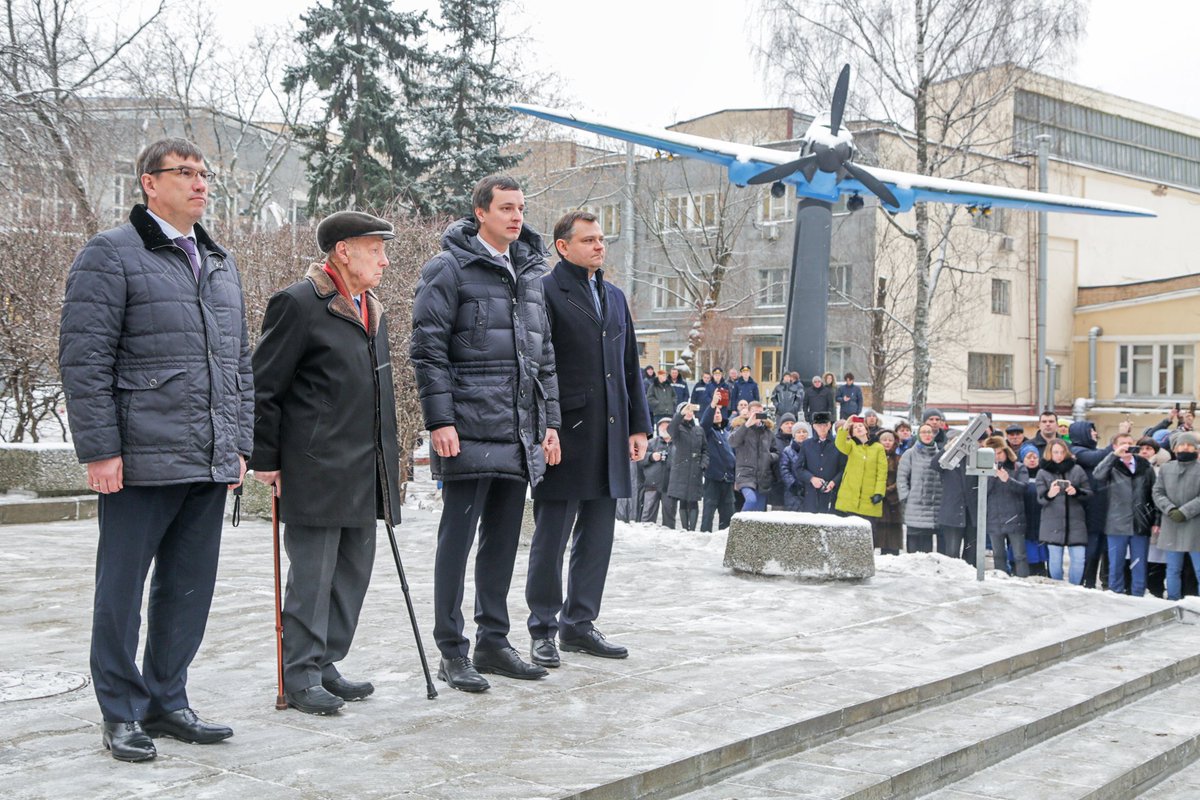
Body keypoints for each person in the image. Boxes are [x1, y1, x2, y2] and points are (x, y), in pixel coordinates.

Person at [58, 138, 250, 761]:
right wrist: (100, 449)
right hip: (139, 457)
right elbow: (85, 359)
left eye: (203, 174)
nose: (199, 184)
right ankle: (121, 712)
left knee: (188, 587)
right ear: (148, 183)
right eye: (184, 174)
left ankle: (169, 700)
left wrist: (240, 442)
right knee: (121, 590)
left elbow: (238, 365)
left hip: (209, 456)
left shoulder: (219, 263)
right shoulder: (111, 255)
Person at [411, 175, 559, 693]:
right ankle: (452, 650)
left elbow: (544, 358)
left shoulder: (530, 273)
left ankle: (493, 641)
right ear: (480, 212)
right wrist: (440, 420)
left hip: (518, 429)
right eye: (505, 208)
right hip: (467, 427)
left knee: (501, 541)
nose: (516, 217)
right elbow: (427, 351)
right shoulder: (449, 268)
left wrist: (550, 424)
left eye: (521, 208)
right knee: (457, 539)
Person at [250, 211, 400, 714]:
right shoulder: (298, 303)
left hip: (364, 466)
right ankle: (300, 675)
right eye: (375, 248)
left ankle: (327, 661)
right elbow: (265, 386)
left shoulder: (370, 307)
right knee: (312, 577)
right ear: (343, 250)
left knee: (353, 572)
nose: (384, 259)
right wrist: (266, 459)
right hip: (315, 464)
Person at [527, 210, 650, 667]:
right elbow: (538, 368)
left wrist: (639, 425)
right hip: (564, 433)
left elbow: (630, 367)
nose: (599, 246)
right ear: (563, 246)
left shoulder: (614, 297)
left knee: (598, 536)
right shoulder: (544, 293)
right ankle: (542, 628)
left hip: (612, 433)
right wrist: (544, 427)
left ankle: (579, 624)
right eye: (589, 240)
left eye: (601, 239)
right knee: (552, 537)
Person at [1094, 431, 1156, 596]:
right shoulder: (1111, 464)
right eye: (1123, 443)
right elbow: (1097, 475)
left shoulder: (1145, 465)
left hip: (1140, 521)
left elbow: (1153, 494)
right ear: (1115, 446)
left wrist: (1155, 520)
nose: (1127, 446)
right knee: (1115, 563)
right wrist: (1113, 456)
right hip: (1116, 522)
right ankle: (1116, 593)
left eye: (1130, 442)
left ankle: (1138, 594)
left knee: (1139, 563)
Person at [1152, 432, 1200, 601]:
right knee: (1172, 569)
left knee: (1199, 569)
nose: (1185, 448)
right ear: (1175, 448)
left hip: (1195, 527)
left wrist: (1185, 511)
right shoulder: (1166, 468)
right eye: (1182, 445)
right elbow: (1157, 492)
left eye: (1189, 445)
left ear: (1196, 448)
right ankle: (1173, 601)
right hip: (1171, 523)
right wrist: (1170, 509)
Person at [1038, 439, 1091, 584]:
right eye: (1055, 452)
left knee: (1079, 559)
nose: (1059, 455)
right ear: (1050, 453)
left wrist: (1076, 491)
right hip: (1052, 522)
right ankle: (1058, 587)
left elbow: (1088, 493)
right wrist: (1050, 494)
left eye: (1062, 452)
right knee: (1055, 560)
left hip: (1075, 521)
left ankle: (1075, 587)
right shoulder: (1043, 472)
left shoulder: (1077, 470)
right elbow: (1040, 498)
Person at [1069, 419, 1113, 589]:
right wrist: (1115, 445)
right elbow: (1097, 459)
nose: (1095, 433)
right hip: (1089, 509)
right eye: (1092, 430)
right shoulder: (1076, 451)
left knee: (1102, 548)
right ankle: (1086, 582)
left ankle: (1097, 581)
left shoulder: (1093, 450)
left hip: (1101, 508)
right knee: (1091, 549)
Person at [983, 436, 1030, 577]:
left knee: (1019, 555)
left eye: (1000, 453)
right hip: (994, 518)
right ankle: (1002, 581)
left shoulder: (1018, 467)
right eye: (993, 454)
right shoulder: (985, 470)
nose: (997, 457)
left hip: (1014, 517)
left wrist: (1007, 480)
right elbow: (981, 492)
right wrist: (993, 477)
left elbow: (1023, 488)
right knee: (998, 555)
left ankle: (1022, 581)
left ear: (1006, 451)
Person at [897, 423, 943, 553]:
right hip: (914, 505)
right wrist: (906, 496)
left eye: (929, 432)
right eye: (923, 432)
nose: (927, 435)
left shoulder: (939, 454)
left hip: (933, 507)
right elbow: (902, 477)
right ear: (918, 435)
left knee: (927, 543)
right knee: (914, 541)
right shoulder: (910, 454)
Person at [834, 416, 887, 520]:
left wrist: (879, 492)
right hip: (850, 497)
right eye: (854, 428)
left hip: (869, 498)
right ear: (852, 433)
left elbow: (882, 472)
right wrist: (846, 424)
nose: (858, 428)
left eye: (860, 426)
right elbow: (839, 444)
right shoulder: (851, 445)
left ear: (866, 429)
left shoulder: (878, 448)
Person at [699, 395, 737, 531]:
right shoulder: (707, 432)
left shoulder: (727, 432)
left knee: (728, 514)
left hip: (728, 480)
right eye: (714, 412)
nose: (717, 415)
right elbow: (704, 423)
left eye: (719, 412)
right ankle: (704, 538)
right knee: (708, 513)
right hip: (713, 479)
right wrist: (713, 405)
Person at [729, 400, 775, 511]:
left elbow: (776, 451)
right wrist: (747, 424)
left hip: (763, 475)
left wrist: (769, 457)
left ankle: (748, 527)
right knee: (751, 500)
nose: (757, 415)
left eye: (760, 412)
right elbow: (732, 442)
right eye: (754, 412)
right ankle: (738, 524)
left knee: (758, 513)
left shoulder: (767, 432)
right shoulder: (740, 428)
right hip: (745, 474)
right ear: (748, 413)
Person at [795, 412, 845, 513]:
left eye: (825, 425)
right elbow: (799, 468)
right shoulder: (807, 444)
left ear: (830, 425)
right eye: (819, 425)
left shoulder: (838, 444)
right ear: (813, 426)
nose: (822, 428)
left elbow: (843, 468)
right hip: (811, 494)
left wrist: (833, 482)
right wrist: (811, 478)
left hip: (832, 493)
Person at [666, 402, 705, 530]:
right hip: (681, 468)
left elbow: (705, 450)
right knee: (683, 499)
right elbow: (670, 428)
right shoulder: (677, 428)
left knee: (693, 500)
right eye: (686, 411)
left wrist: (703, 464)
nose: (689, 413)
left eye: (691, 411)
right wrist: (680, 413)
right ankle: (684, 528)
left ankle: (692, 529)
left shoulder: (699, 430)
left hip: (695, 469)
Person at [872, 430, 903, 554]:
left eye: (890, 440)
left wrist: (888, 490)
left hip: (893, 500)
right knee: (877, 533)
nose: (887, 442)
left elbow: (901, 477)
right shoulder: (874, 458)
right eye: (884, 440)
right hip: (877, 499)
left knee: (893, 535)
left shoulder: (899, 459)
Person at [640, 418, 674, 526]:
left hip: (670, 487)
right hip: (651, 486)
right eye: (661, 426)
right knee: (647, 516)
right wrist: (651, 457)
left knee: (669, 517)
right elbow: (639, 459)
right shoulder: (651, 443)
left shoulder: (678, 443)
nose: (663, 428)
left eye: (666, 426)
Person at [1022, 449, 1049, 576]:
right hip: (1024, 517)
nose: (1032, 460)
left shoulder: (1044, 474)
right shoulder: (1019, 474)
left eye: (1035, 457)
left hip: (1041, 518)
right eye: (1029, 457)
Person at [769, 413, 797, 509]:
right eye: (786, 423)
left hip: (794, 486)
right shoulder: (773, 440)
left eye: (792, 423)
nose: (790, 426)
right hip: (778, 486)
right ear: (780, 426)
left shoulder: (799, 440)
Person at [779, 423, 810, 511]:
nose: (802, 434)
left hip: (809, 489)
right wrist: (793, 485)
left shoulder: (813, 448)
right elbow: (784, 470)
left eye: (804, 432)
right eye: (798, 432)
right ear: (794, 435)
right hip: (793, 491)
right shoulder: (787, 451)